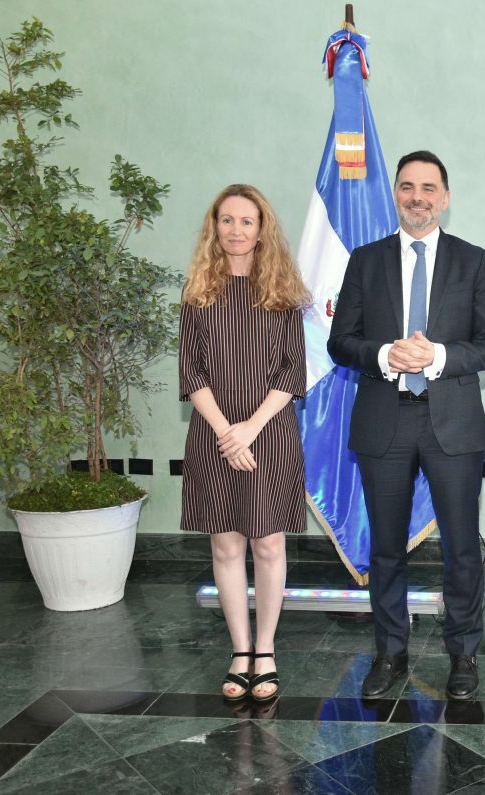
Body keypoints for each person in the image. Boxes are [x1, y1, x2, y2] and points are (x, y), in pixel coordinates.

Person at [327, 150, 485, 701]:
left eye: (429, 188)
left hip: (452, 424)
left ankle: (464, 654)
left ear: (445, 198)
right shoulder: (366, 260)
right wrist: (385, 353)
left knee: (462, 549)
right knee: (386, 547)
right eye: (407, 187)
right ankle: (390, 653)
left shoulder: (472, 260)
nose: (417, 197)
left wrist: (435, 358)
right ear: (396, 195)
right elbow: (341, 342)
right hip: (385, 420)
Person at [179, 184, 309, 703]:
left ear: (262, 228)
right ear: (215, 227)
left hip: (269, 433)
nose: (236, 230)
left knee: (269, 543)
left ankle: (267, 649)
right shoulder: (197, 294)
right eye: (226, 220)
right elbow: (191, 374)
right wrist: (225, 432)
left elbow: (292, 371)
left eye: (246, 221)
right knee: (226, 544)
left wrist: (248, 429)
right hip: (213, 435)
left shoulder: (282, 292)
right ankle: (239, 651)